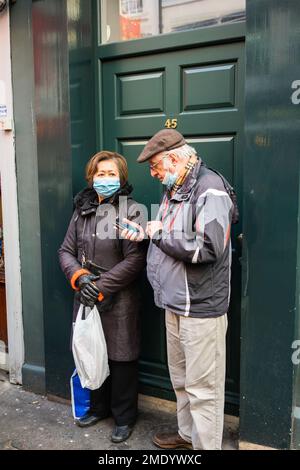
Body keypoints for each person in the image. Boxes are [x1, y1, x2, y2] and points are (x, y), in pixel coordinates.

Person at [121, 129, 234, 450]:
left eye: (155, 167)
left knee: (203, 390)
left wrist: (158, 235)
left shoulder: (210, 190)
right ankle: (187, 436)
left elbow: (207, 248)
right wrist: (146, 233)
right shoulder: (177, 188)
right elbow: (171, 235)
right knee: (183, 382)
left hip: (200, 308)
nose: (154, 174)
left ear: (174, 159)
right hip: (175, 303)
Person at [58, 151, 146, 443]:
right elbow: (65, 251)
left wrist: (102, 285)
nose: (105, 179)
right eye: (100, 174)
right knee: (92, 351)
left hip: (118, 295)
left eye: (111, 174)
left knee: (121, 356)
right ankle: (99, 408)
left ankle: (124, 417)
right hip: (84, 293)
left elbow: (135, 261)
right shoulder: (81, 209)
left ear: (121, 177)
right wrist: (81, 279)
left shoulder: (132, 210)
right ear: (91, 177)